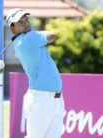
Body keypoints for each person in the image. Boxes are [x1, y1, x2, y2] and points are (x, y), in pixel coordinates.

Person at [6, 8, 65, 138]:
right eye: (20, 22)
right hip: (41, 100)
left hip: (55, 99)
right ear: (13, 28)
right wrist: (38, 32)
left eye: (26, 19)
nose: (26, 23)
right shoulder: (28, 38)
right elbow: (52, 35)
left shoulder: (24, 39)